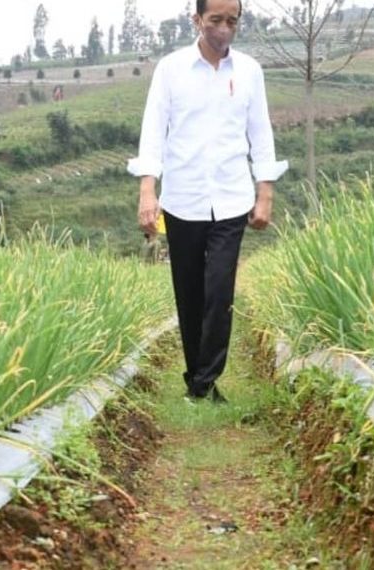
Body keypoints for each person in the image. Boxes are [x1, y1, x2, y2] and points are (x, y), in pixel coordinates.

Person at [127, 0, 287, 404]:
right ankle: (200, 381)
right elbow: (153, 132)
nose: (224, 29)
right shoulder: (171, 70)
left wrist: (264, 191)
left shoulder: (250, 72)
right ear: (196, 20)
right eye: (215, 20)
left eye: (231, 21)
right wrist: (148, 191)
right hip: (183, 199)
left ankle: (202, 382)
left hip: (232, 199)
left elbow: (261, 133)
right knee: (190, 294)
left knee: (219, 290)